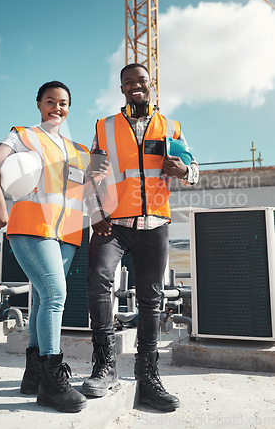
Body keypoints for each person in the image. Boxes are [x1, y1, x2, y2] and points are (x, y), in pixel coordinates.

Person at [82, 63, 199, 412]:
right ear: (121, 88)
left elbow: (194, 168)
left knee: (151, 297)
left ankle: (147, 375)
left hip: (154, 225)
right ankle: (104, 366)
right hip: (112, 224)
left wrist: (185, 171)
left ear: (152, 85)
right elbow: (91, 173)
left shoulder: (171, 127)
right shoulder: (104, 127)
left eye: (141, 81)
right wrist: (94, 212)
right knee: (98, 280)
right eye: (128, 82)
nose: (136, 86)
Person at [0, 81, 100, 413]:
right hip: (32, 228)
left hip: (66, 235)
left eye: (63, 103)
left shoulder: (78, 150)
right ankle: (52, 379)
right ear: (39, 104)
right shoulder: (23, 136)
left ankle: (32, 375)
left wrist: (98, 180)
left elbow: (85, 192)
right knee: (56, 296)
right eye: (50, 101)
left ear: (69, 107)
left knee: (41, 300)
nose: (57, 107)